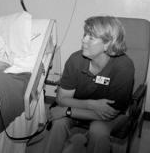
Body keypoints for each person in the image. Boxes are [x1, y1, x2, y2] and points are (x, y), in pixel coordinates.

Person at [44, 16, 134, 153]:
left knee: (98, 131)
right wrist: (91, 104)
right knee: (58, 123)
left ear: (108, 44)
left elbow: (109, 114)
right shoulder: (75, 60)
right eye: (85, 34)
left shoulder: (124, 67)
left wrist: (67, 111)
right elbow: (61, 99)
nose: (83, 40)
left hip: (108, 116)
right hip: (81, 107)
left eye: (91, 37)